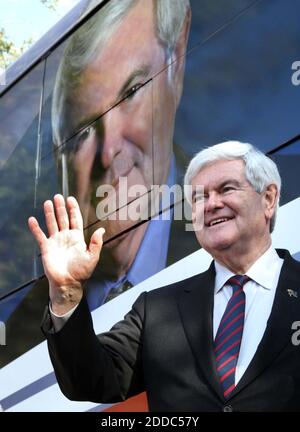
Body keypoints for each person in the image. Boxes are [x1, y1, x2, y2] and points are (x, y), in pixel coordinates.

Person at [29, 140, 300, 411]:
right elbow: (89, 379)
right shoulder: (156, 310)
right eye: (198, 198)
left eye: (226, 189)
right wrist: (66, 289)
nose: (211, 204)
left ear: (268, 199)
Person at [50, 0, 194, 309]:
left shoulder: (238, 236)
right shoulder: (37, 321)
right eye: (82, 131)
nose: (108, 152)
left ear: (177, 61)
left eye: (130, 92)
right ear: (57, 162)